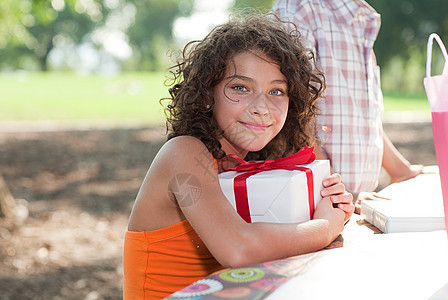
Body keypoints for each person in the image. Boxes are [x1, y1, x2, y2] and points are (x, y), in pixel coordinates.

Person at [122, 13, 354, 299]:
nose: (261, 107)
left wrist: (330, 201)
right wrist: (325, 226)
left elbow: (278, 243)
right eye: (240, 87)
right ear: (208, 93)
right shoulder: (183, 155)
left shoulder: (254, 162)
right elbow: (238, 249)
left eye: (276, 91)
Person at [272, 0, 422, 212]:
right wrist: (342, 194)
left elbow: (364, 118)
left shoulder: (359, 20)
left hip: (350, 201)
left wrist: (402, 170)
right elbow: (291, 115)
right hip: (319, 204)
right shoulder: (298, 9)